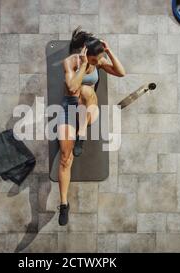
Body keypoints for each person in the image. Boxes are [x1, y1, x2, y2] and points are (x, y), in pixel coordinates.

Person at [57, 26, 126, 225]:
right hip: (69, 109)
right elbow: (71, 87)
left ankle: (82, 134)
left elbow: (121, 73)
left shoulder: (100, 60)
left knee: (87, 91)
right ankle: (63, 204)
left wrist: (109, 51)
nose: (98, 64)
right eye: (95, 60)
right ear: (85, 53)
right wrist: (84, 65)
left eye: (99, 60)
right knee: (65, 158)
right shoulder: (70, 63)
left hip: (89, 110)